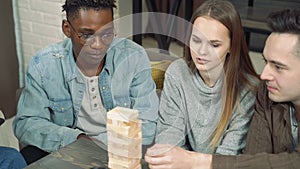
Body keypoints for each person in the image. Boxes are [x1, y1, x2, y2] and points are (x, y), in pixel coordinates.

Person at [146, 7, 300, 169]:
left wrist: (194, 161)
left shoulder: (249, 89)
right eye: (196, 40)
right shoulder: (265, 93)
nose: (264, 75)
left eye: (278, 67)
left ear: (231, 46)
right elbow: (252, 161)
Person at [13, 0, 159, 164]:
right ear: (67, 29)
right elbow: (27, 123)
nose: (98, 45)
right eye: (87, 35)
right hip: (71, 149)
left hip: (122, 149)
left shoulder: (133, 56)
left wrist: (101, 144)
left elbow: (147, 122)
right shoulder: (43, 65)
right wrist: (78, 140)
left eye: (106, 34)